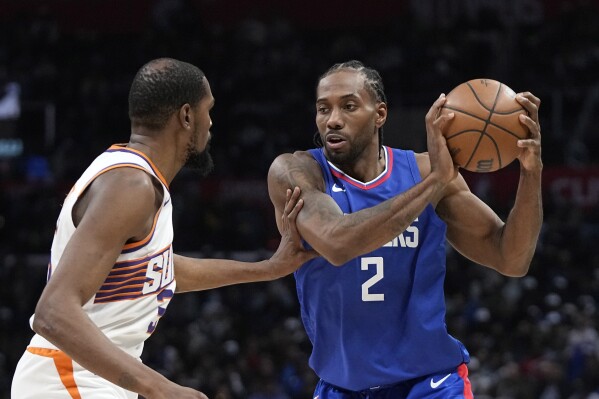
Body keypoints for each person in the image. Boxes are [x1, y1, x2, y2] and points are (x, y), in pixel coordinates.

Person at [11, 58, 316, 399]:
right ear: (186, 116)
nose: (211, 122)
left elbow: (162, 270)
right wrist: (162, 388)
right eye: (208, 110)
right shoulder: (131, 186)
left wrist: (269, 268)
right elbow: (52, 312)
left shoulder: (135, 179)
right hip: (68, 379)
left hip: (87, 379)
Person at [267, 60, 543, 398]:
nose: (333, 119)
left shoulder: (424, 170)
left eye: (349, 106)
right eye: (323, 109)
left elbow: (511, 258)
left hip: (431, 384)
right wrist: (436, 182)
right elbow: (337, 243)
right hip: (344, 387)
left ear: (380, 114)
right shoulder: (296, 172)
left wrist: (531, 172)